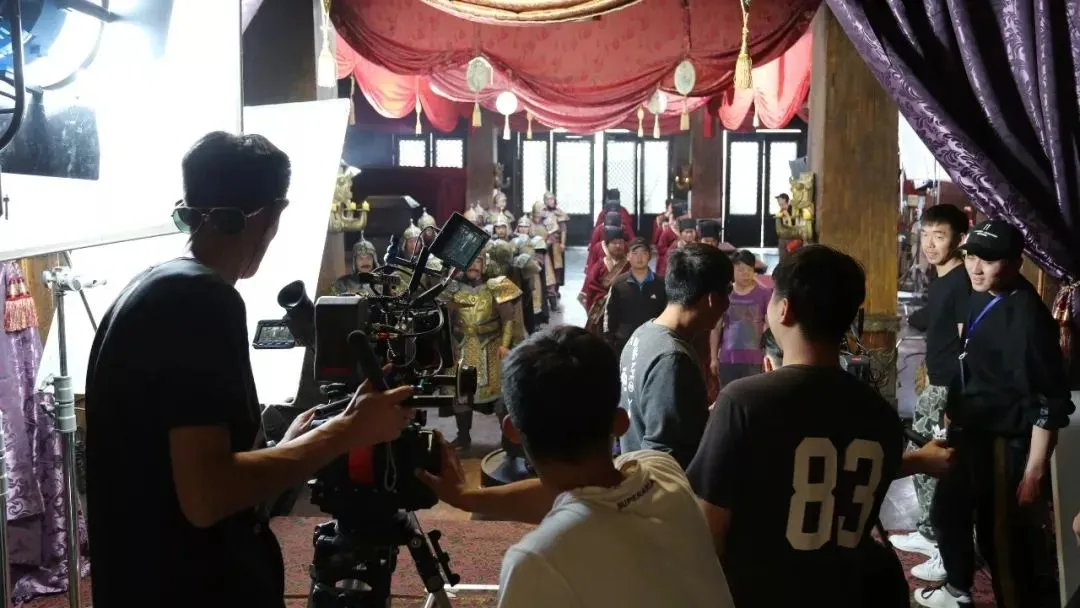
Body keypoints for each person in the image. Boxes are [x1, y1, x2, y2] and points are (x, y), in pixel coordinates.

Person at [83, 132, 416, 608]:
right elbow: (208, 495)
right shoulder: (202, 299)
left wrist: (287, 449)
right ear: (271, 214)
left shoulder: (147, 287)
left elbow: (172, 471)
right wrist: (348, 431)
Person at [422, 326, 736, 608]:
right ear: (621, 422)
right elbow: (581, 494)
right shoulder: (664, 472)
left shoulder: (537, 561)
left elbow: (576, 497)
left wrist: (466, 497)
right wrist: (467, 498)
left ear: (512, 431)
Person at [686, 245, 906, 607]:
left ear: (783, 309)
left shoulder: (743, 402)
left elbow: (707, 530)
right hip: (844, 593)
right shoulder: (880, 412)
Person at [917, 220, 1074, 608]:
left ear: (1017, 263)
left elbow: (1051, 402)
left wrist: (1034, 472)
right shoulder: (980, 290)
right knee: (947, 513)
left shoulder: (1029, 321)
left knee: (1001, 541)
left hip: (1003, 443)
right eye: (971, 256)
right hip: (968, 430)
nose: (976, 267)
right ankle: (958, 589)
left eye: (988, 260)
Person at [888, 204, 971, 582]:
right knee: (923, 458)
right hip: (935, 382)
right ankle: (928, 531)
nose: (930, 244)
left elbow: (966, 345)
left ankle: (944, 547)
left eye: (940, 236)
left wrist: (954, 396)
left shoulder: (961, 282)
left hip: (947, 389)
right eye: (926, 235)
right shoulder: (942, 280)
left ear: (960, 239)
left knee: (936, 464)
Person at [619, 244, 733, 468]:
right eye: (728, 292)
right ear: (712, 299)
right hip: (664, 486)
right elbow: (663, 454)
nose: (728, 304)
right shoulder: (671, 358)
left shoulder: (643, 334)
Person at [444, 253, 522, 450]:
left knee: (499, 396)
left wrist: (505, 344)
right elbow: (445, 321)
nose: (473, 265)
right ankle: (463, 436)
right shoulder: (452, 288)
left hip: (490, 348)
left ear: (484, 264)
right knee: (460, 394)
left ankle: (509, 440)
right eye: (470, 261)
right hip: (461, 348)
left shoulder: (496, 286)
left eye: (477, 261)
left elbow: (508, 319)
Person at [710, 249, 772, 387]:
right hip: (728, 359)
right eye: (741, 270)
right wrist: (713, 358)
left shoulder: (765, 294)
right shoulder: (725, 294)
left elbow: (769, 327)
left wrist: (768, 355)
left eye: (749, 269)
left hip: (755, 360)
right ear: (732, 270)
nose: (746, 273)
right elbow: (716, 328)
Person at [604, 237, 666, 355]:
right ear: (628, 256)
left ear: (650, 256)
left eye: (644, 253)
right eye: (635, 253)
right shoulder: (618, 283)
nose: (639, 257)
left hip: (653, 342)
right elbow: (610, 313)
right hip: (624, 342)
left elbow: (666, 313)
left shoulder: (661, 284)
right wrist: (609, 339)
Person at [581, 226, 629, 335]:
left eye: (621, 243)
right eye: (614, 243)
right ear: (607, 245)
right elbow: (591, 285)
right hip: (602, 306)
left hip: (623, 306)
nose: (618, 246)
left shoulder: (629, 264)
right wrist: (604, 296)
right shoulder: (600, 265)